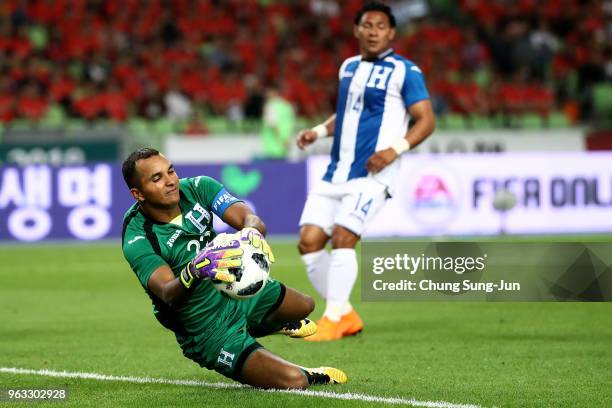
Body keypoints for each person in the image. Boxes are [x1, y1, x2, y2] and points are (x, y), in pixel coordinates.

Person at [121, 148, 347, 388]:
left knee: (305, 305)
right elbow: (167, 293)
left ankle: (269, 324)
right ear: (138, 194)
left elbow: (250, 219)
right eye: (157, 179)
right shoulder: (137, 237)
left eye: (171, 171)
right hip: (205, 327)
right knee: (295, 382)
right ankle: (306, 372)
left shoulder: (199, 187)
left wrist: (251, 233)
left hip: (232, 291)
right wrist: (195, 269)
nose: (170, 182)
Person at [296, 2, 436, 341]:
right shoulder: (348, 67)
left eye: (380, 26)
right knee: (309, 242)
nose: (373, 31)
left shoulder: (405, 71)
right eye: (367, 25)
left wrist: (393, 150)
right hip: (336, 172)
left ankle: (332, 318)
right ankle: (344, 312)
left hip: (373, 175)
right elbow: (346, 114)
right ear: (357, 30)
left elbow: (427, 120)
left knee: (344, 237)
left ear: (391, 32)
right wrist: (318, 131)